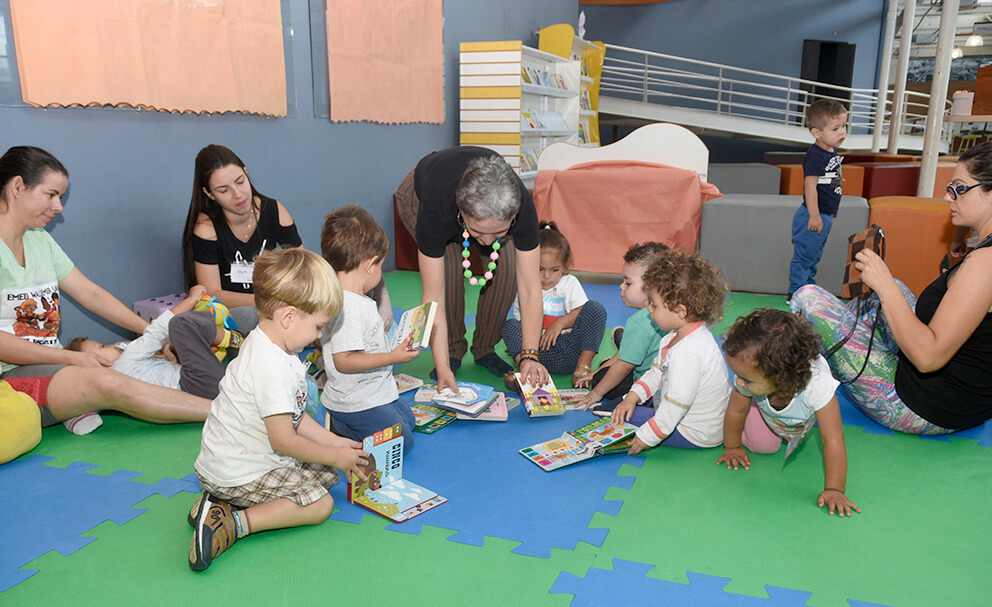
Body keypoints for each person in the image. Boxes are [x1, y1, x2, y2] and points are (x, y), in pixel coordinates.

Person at [0, 146, 210, 435]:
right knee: (107, 381)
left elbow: (91, 293)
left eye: (60, 197)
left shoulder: (39, 240)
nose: (59, 207)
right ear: (18, 186)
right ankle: (228, 415)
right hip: (8, 381)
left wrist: (154, 334)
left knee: (118, 365)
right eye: (51, 195)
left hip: (50, 366)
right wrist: (71, 358)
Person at [188, 248, 369, 571]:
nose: (320, 336)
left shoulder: (269, 344)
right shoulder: (271, 367)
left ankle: (216, 502)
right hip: (240, 471)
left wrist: (335, 444)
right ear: (288, 317)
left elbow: (297, 418)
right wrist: (336, 455)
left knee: (327, 472)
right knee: (321, 504)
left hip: (229, 462)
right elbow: (284, 440)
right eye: (318, 327)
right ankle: (234, 524)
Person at [792, 143, 992, 434]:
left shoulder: (984, 264)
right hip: (960, 394)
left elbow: (928, 358)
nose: (947, 197)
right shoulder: (981, 252)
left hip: (928, 405)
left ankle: (796, 386)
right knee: (890, 290)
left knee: (808, 298)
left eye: (959, 189)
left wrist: (885, 286)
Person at [394, 147, 549, 391]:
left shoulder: (522, 207)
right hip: (421, 192)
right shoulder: (437, 209)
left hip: (484, 199)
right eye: (478, 233)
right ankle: (452, 351)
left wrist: (530, 355)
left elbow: (530, 288)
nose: (486, 242)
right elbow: (433, 298)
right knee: (449, 269)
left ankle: (485, 348)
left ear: (514, 216)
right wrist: (442, 366)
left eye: (498, 233)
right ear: (462, 214)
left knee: (506, 268)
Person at [718, 309, 858, 517]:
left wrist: (834, 489)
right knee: (763, 446)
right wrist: (733, 447)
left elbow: (832, 439)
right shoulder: (751, 380)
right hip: (769, 412)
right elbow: (736, 411)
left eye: (746, 379)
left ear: (781, 378)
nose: (738, 382)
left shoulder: (817, 387)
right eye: (738, 375)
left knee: (785, 436)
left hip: (798, 418)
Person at [611, 250, 732, 453]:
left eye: (655, 306)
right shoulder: (674, 336)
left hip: (694, 432)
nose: (649, 310)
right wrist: (632, 396)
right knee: (625, 408)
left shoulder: (689, 352)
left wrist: (646, 438)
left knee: (615, 417)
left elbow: (676, 405)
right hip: (679, 417)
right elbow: (656, 373)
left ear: (680, 311)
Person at [319, 205, 417, 451]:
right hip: (354, 401)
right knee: (402, 442)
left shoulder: (355, 299)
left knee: (409, 421)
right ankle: (340, 427)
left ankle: (347, 425)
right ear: (370, 264)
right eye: (381, 265)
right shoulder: (348, 306)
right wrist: (392, 356)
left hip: (373, 390)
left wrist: (394, 347)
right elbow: (344, 360)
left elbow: (367, 343)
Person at [181, 144, 303, 331]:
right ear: (209, 193)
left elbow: (302, 267)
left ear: (246, 173)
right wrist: (266, 303)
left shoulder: (275, 211)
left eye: (240, 182)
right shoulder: (206, 228)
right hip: (232, 312)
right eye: (223, 190)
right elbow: (212, 292)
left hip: (276, 306)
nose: (238, 195)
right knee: (252, 317)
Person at [64, 285, 242, 399]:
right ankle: (234, 339)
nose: (111, 345)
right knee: (181, 325)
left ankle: (232, 339)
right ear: (97, 363)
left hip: (199, 383)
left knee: (239, 316)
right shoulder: (124, 362)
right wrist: (192, 298)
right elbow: (159, 328)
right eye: (102, 347)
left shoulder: (126, 373)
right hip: (197, 383)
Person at [502, 221, 606, 387]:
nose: (547, 276)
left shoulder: (569, 282)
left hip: (571, 350)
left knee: (595, 308)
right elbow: (522, 325)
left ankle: (583, 367)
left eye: (554, 270)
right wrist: (530, 351)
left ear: (565, 266)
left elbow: (582, 312)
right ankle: (526, 370)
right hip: (538, 353)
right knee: (510, 325)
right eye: (540, 269)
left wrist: (560, 323)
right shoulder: (526, 286)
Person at [577, 242, 668, 411]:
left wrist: (596, 393)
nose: (621, 286)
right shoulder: (670, 312)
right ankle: (626, 344)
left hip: (648, 388)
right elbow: (621, 358)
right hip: (664, 380)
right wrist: (594, 373)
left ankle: (624, 400)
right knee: (608, 366)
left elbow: (624, 365)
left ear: (652, 286)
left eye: (628, 283)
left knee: (607, 377)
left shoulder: (639, 321)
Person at [788, 99, 848, 299]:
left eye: (844, 126)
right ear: (817, 133)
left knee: (813, 258)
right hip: (813, 215)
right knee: (804, 258)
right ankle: (797, 295)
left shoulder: (830, 150)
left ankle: (808, 291)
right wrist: (814, 215)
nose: (842, 132)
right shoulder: (815, 155)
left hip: (825, 214)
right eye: (836, 128)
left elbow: (827, 175)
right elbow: (810, 186)